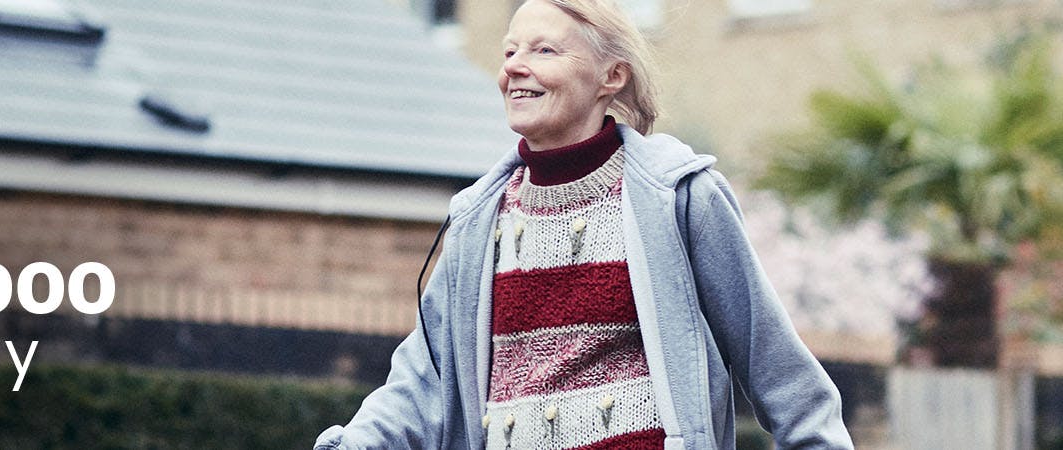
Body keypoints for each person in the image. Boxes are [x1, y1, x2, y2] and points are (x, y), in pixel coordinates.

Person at [314, 0, 853, 448]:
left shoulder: (678, 198)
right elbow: (420, 384)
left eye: (544, 49)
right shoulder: (480, 222)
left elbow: (783, 378)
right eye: (509, 51)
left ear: (611, 77)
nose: (514, 66)